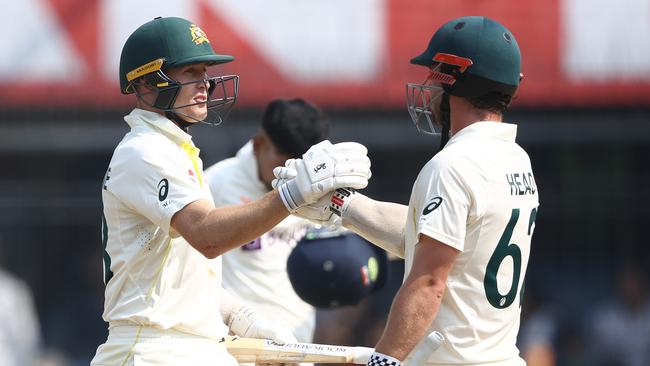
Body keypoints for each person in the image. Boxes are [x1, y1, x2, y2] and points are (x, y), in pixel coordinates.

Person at [92, 16, 371, 366]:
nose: (204, 84)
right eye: (190, 72)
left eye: (204, 72)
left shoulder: (172, 149)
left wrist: (241, 317)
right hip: (152, 350)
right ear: (147, 84)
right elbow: (207, 236)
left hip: (188, 347)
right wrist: (292, 194)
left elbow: (182, 277)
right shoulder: (144, 151)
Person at [274, 16, 539, 365]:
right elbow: (427, 240)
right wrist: (343, 205)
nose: (428, 89)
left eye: (433, 76)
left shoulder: (451, 166)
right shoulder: (515, 159)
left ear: (453, 82)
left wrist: (386, 359)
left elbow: (429, 281)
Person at [204, 98, 329, 344]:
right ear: (259, 144)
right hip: (234, 346)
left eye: (302, 165)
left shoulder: (317, 187)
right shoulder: (216, 183)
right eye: (284, 162)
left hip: (298, 344)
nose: (291, 174)